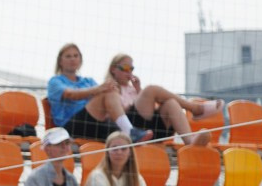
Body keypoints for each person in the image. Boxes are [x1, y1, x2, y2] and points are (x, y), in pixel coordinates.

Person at [81, 53, 221, 148]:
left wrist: (138, 91)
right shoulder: (108, 88)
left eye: (131, 69)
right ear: (113, 69)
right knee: (152, 89)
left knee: (171, 103)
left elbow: (152, 109)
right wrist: (136, 100)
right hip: (128, 129)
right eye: (125, 68)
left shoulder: (134, 89)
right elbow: (110, 116)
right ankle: (195, 109)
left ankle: (189, 141)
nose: (129, 72)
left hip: (149, 129)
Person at [45, 43, 114, 141]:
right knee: (106, 93)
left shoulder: (88, 81)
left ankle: (128, 130)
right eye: (68, 56)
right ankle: (127, 128)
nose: (72, 59)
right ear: (60, 61)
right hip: (68, 128)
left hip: (92, 123)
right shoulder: (55, 81)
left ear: (80, 59)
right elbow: (70, 94)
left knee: (109, 92)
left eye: (75, 56)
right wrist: (98, 89)